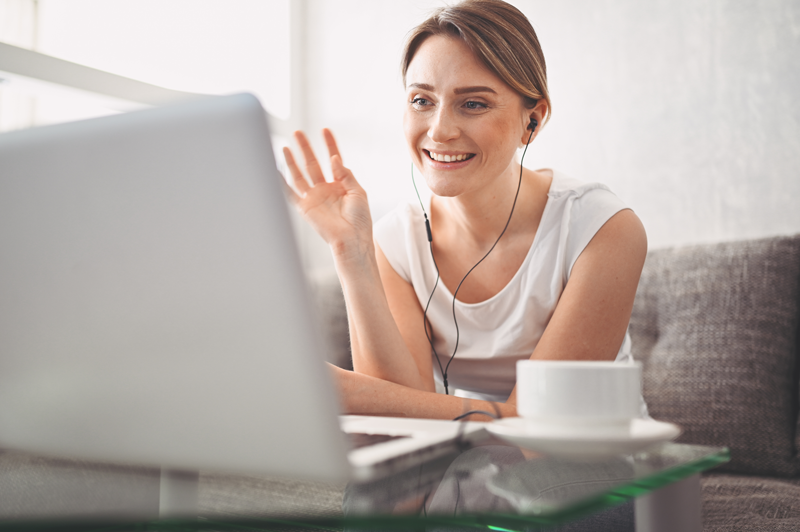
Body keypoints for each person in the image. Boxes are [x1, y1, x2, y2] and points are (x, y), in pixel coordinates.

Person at [282, 0, 647, 421]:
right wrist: (352, 252)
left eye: (473, 104)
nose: (439, 130)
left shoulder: (601, 228)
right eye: (421, 101)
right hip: (472, 465)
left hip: (597, 468)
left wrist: (361, 396)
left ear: (534, 120)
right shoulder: (396, 241)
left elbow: (546, 421)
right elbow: (403, 415)